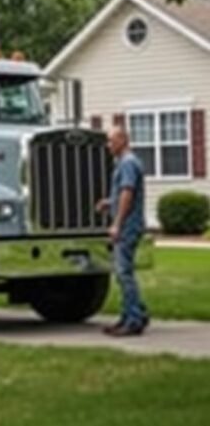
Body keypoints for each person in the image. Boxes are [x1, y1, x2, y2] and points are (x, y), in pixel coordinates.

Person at [96, 126, 149, 337]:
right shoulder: (125, 163)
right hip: (129, 223)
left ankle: (133, 319)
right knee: (123, 272)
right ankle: (133, 314)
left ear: (122, 140)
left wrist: (117, 224)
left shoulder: (128, 163)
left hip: (128, 225)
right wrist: (109, 202)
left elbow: (128, 193)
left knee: (123, 272)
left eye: (111, 141)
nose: (108, 145)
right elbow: (122, 195)